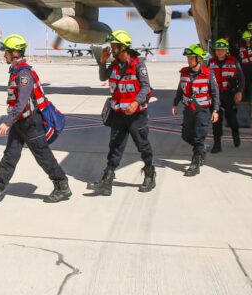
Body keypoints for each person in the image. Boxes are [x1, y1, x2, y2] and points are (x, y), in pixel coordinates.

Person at [0, 34, 71, 206]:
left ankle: (62, 185)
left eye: (6, 52)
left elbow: (22, 102)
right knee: (10, 156)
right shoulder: (16, 71)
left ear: (15, 53)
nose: (4, 55)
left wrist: (7, 121)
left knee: (44, 157)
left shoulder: (24, 73)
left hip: (30, 123)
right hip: (20, 123)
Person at [90, 30, 155, 196]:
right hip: (118, 113)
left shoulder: (138, 64)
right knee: (115, 145)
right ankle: (108, 178)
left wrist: (135, 102)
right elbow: (103, 77)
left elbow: (146, 86)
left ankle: (149, 173)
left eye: (114, 45)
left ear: (122, 47)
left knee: (143, 145)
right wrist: (102, 62)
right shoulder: (114, 64)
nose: (111, 48)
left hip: (136, 114)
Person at [171, 44, 219, 177]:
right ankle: (202, 147)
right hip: (188, 109)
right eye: (188, 58)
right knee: (186, 135)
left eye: (191, 58)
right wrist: (175, 103)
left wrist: (215, 110)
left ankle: (195, 163)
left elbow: (215, 93)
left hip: (202, 110)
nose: (188, 60)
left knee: (198, 136)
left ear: (199, 59)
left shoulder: (208, 73)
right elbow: (180, 89)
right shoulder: (184, 72)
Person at [208, 38, 244, 153]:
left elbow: (241, 78)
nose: (219, 51)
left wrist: (239, 91)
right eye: (218, 49)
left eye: (222, 49)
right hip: (216, 96)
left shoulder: (233, 61)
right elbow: (205, 79)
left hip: (230, 95)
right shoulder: (211, 62)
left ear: (226, 50)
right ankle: (217, 145)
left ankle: (236, 135)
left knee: (232, 120)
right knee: (216, 121)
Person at [237, 30, 252, 94]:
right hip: (245, 67)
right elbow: (238, 57)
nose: (247, 40)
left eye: (248, 38)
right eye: (246, 39)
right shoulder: (240, 47)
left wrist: (251, 47)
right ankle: (246, 95)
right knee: (246, 81)